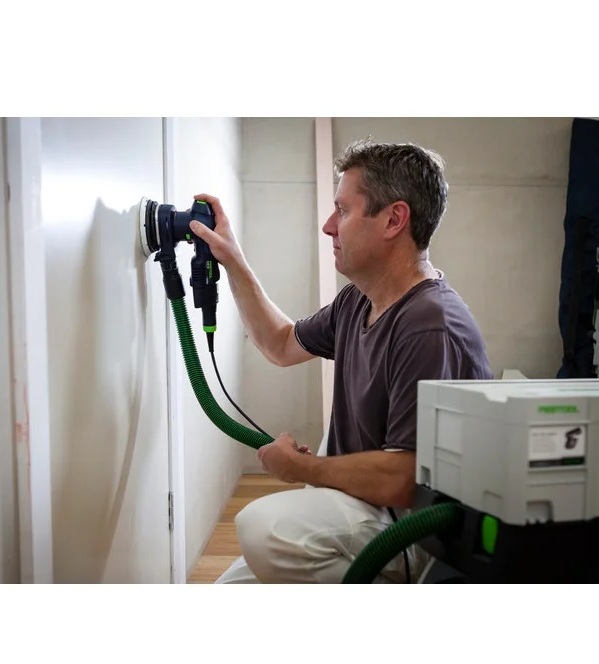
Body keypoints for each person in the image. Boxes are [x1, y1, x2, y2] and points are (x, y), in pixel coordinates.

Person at [188, 138, 494, 584]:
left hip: (412, 531)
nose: (329, 226)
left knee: (264, 528)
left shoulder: (430, 325)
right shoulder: (357, 301)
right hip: (356, 506)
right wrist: (232, 260)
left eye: (343, 211)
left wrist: (302, 469)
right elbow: (280, 343)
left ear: (394, 219)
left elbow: (402, 479)